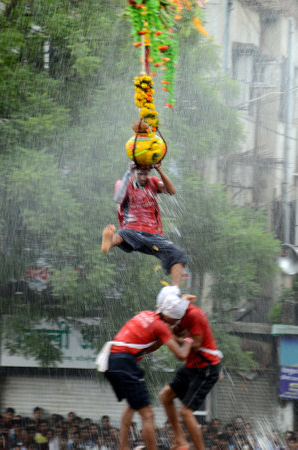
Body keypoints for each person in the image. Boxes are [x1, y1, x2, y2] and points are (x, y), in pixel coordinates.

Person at [95, 298, 194, 450]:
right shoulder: (161, 327)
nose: (178, 321)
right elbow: (181, 355)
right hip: (125, 362)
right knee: (148, 415)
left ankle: (122, 447)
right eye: (177, 318)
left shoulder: (146, 314)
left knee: (132, 405)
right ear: (172, 316)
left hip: (112, 360)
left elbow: (148, 348)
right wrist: (188, 339)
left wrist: (166, 338)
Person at [101, 143, 187, 287]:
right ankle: (108, 242)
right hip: (132, 229)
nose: (142, 176)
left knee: (178, 255)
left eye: (145, 174)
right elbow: (117, 198)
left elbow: (171, 191)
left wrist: (160, 171)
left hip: (153, 235)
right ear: (134, 172)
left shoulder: (153, 182)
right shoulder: (124, 183)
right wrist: (128, 172)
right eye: (139, 173)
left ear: (149, 173)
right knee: (122, 236)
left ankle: (175, 291)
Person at [157, 287, 222, 450]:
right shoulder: (179, 314)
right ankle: (180, 440)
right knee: (165, 396)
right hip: (192, 366)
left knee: (186, 412)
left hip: (206, 367)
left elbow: (196, 345)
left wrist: (174, 338)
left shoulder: (194, 314)